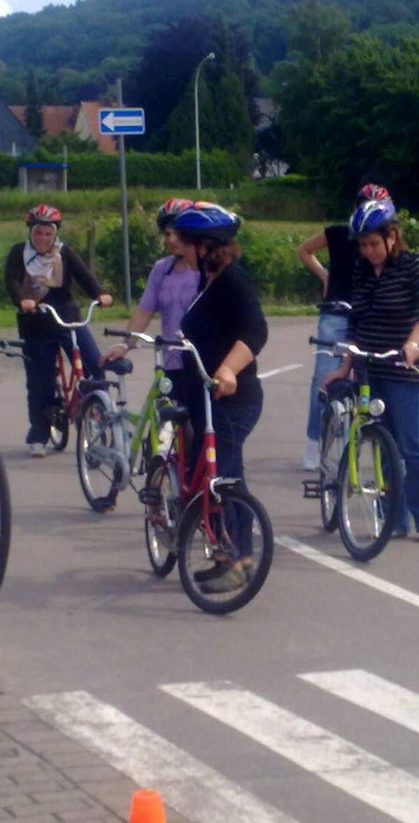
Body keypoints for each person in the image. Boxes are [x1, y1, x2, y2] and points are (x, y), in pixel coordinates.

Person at [323, 199, 419, 542]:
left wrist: (414, 342)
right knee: (382, 443)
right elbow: (356, 319)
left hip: (404, 366)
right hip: (370, 368)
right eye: (363, 246)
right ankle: (393, 517)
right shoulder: (362, 271)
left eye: (374, 244)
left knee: (410, 444)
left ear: (392, 237)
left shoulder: (413, 264)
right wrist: (345, 365)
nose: (369, 251)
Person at [171, 202, 268, 593]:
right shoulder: (206, 280)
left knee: (220, 479)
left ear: (207, 246)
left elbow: (256, 331)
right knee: (229, 477)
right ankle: (240, 558)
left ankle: (232, 560)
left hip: (233, 397)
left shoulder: (233, 282)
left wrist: (228, 369)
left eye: (186, 242)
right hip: (207, 400)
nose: (178, 247)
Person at [4, 204, 113, 457]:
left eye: (48, 233)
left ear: (55, 234)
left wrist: (100, 294)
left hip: (67, 319)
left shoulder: (64, 253)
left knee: (94, 364)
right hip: (36, 323)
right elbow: (11, 280)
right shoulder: (19, 253)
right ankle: (39, 434)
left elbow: (84, 275)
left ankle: (97, 415)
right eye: (38, 233)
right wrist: (23, 299)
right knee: (39, 381)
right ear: (31, 232)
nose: (43, 238)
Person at [295, 182, 389, 470]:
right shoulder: (337, 233)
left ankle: (370, 440)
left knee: (371, 377)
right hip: (336, 311)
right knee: (323, 378)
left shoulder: (384, 242)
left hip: (367, 314)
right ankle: (315, 441)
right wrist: (325, 277)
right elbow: (304, 250)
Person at [104, 198, 200, 405]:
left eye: (177, 232)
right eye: (167, 234)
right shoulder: (162, 269)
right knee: (164, 429)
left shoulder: (206, 268)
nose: (172, 239)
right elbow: (144, 311)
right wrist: (126, 344)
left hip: (201, 362)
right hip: (171, 363)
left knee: (199, 430)